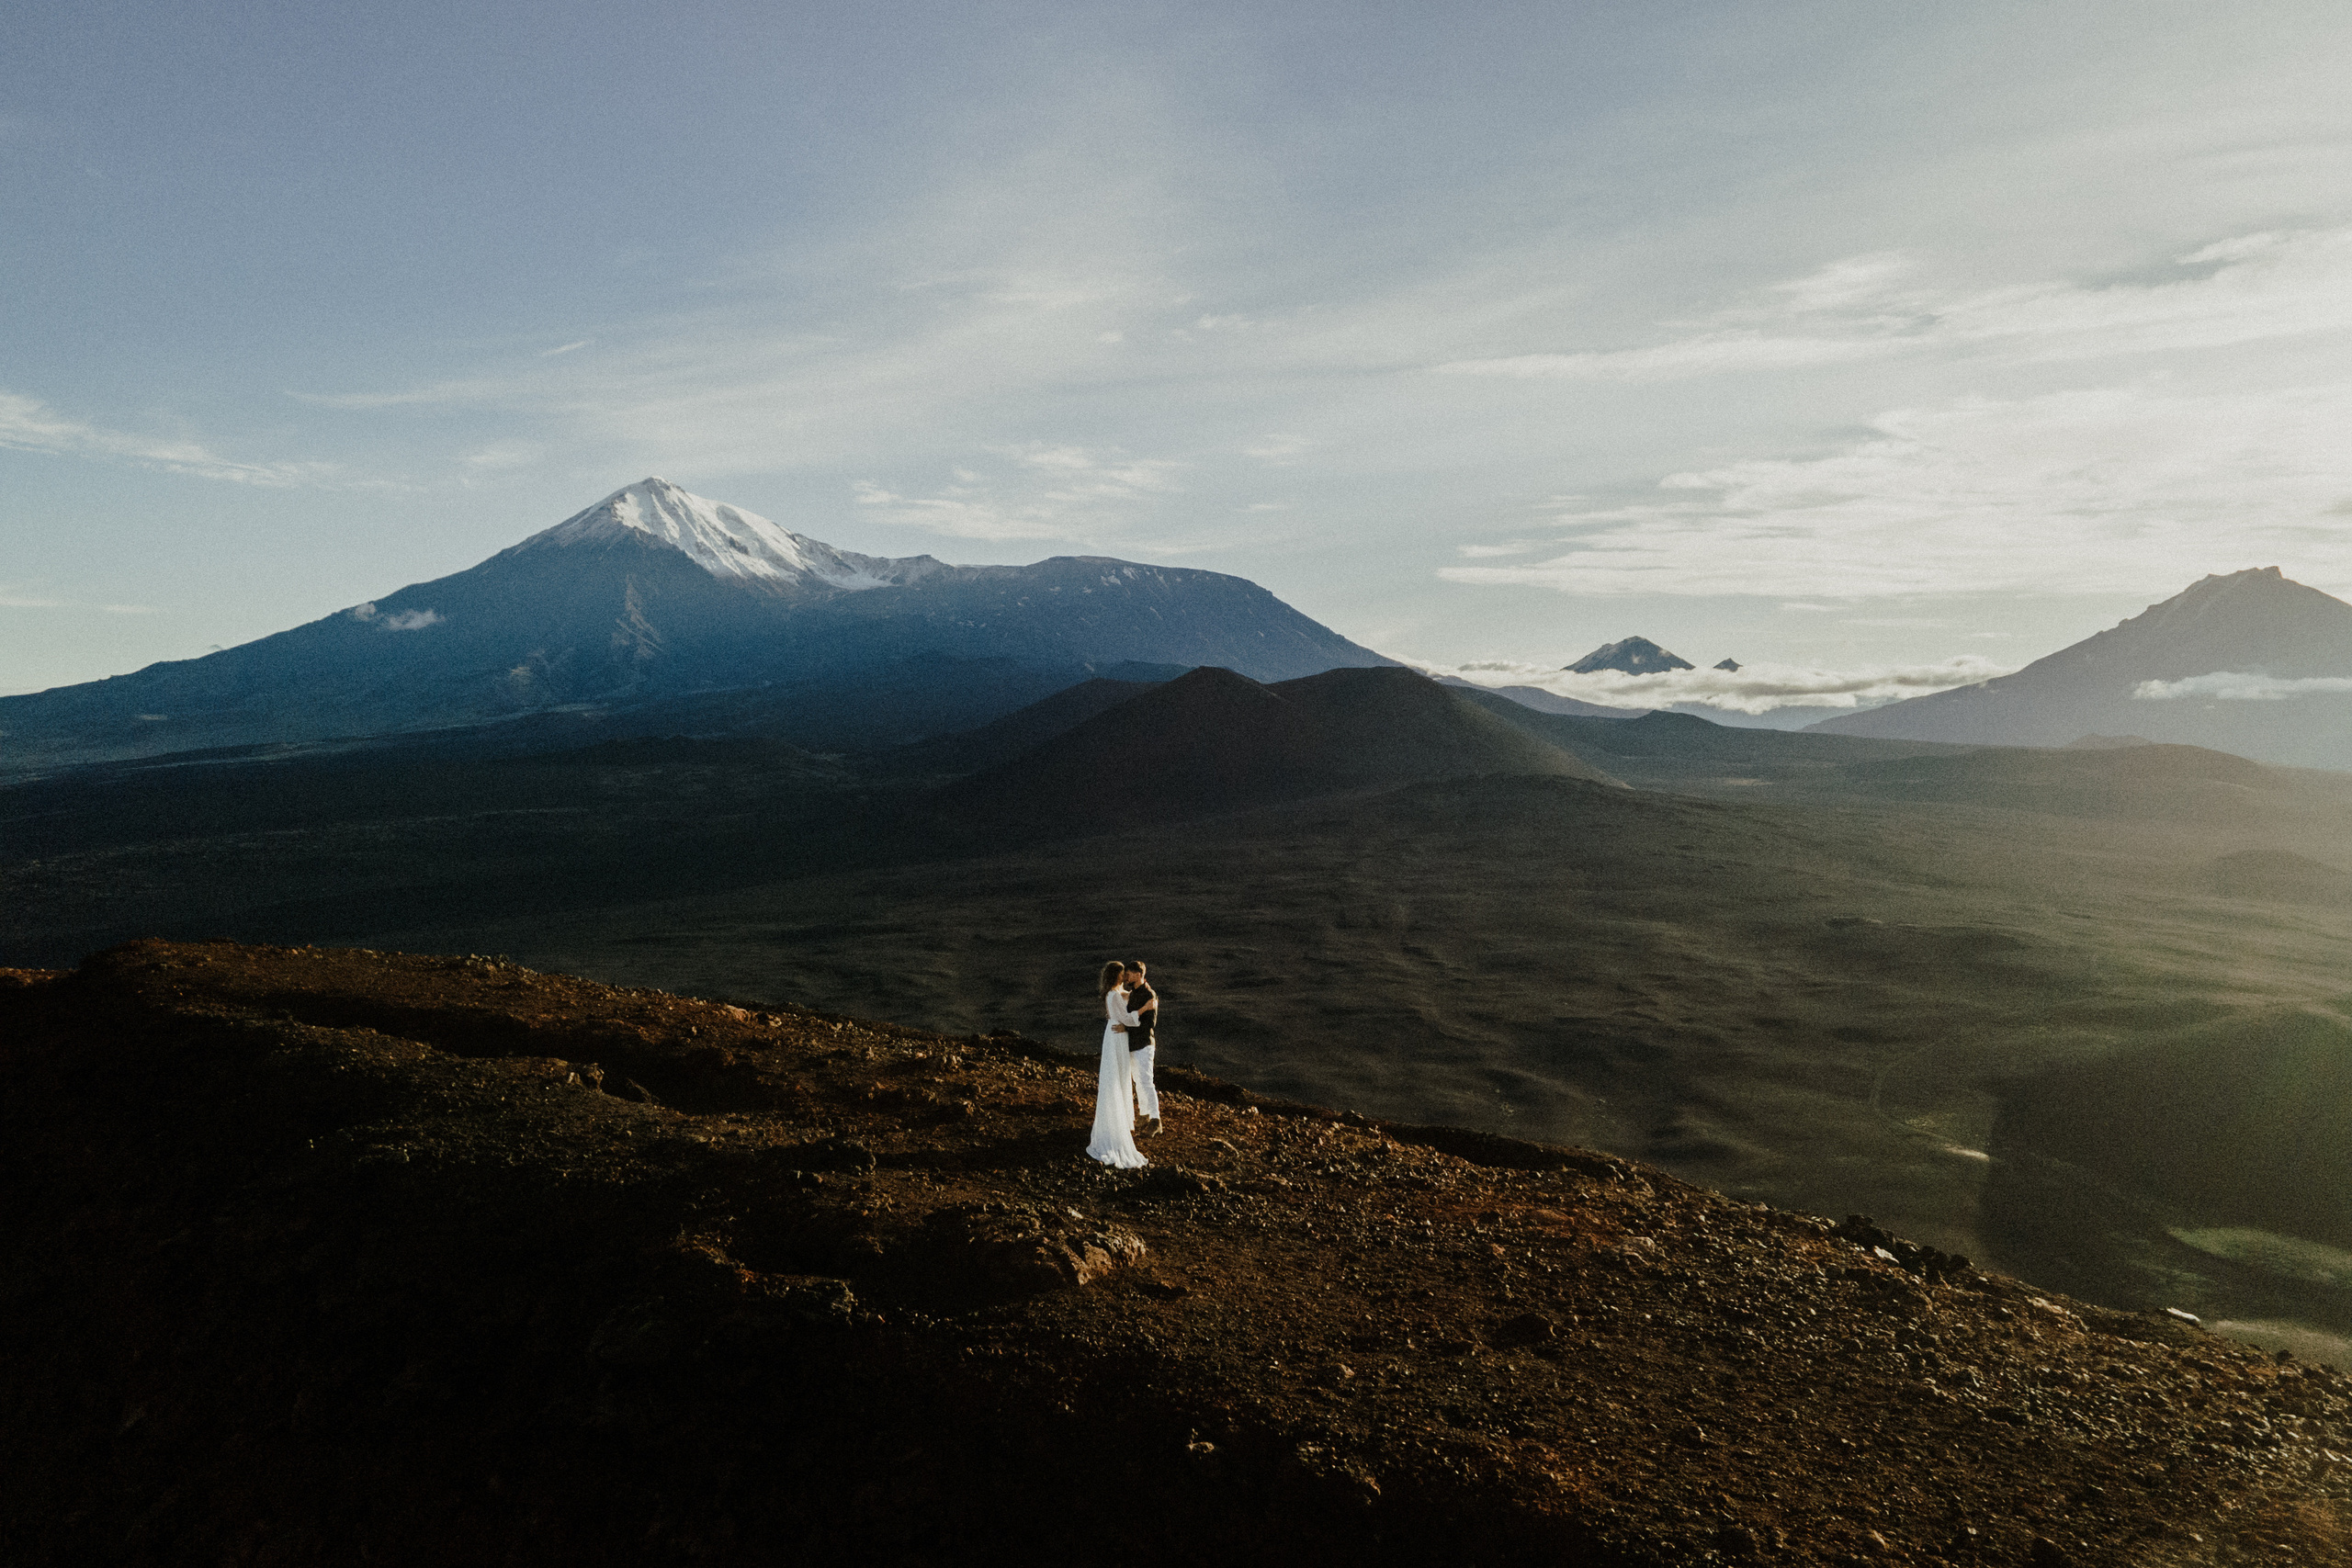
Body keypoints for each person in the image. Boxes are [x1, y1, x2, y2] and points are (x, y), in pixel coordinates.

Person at [1087, 960, 1148, 1168]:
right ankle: (1113, 1124)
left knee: (1121, 1075)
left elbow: (1129, 999)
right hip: (1116, 1035)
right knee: (1115, 1076)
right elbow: (1126, 1018)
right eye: (1123, 974)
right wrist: (1145, 1009)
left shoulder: (1118, 992)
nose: (1125, 976)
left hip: (1119, 1036)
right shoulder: (1113, 995)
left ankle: (1120, 1119)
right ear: (1116, 976)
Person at [1123, 961, 1162, 1136]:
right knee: (1139, 1081)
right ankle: (1145, 1115)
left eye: (1130, 974)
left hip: (1144, 1044)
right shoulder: (1134, 993)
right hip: (1134, 1044)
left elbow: (1150, 1023)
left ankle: (1156, 1120)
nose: (1127, 977)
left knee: (1146, 1081)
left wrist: (1129, 1025)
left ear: (1139, 974)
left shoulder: (1148, 994)